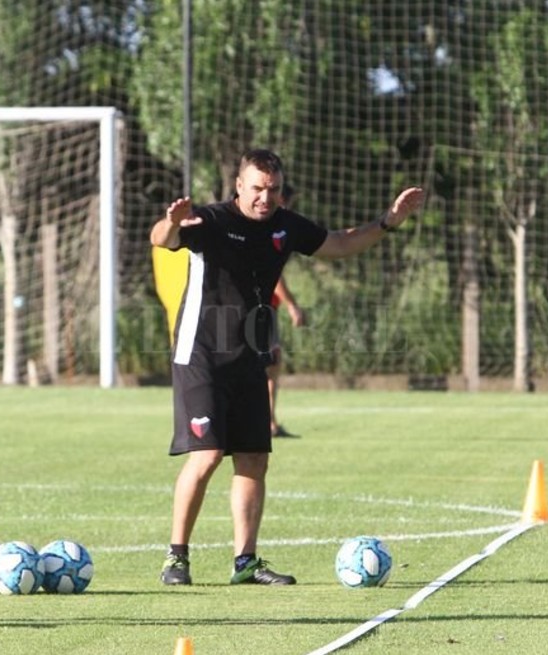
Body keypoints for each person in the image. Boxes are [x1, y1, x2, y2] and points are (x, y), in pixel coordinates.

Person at [151, 148, 424, 586]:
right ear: (239, 185)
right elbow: (161, 239)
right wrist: (173, 220)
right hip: (201, 353)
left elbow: (339, 243)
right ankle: (176, 557)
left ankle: (246, 562)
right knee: (206, 455)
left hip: (249, 355)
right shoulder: (212, 220)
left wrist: (389, 222)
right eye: (258, 188)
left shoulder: (285, 224)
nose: (266, 197)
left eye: (273, 189)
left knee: (254, 458)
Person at [267, 274, 304, 438]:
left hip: (256, 308)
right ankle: (269, 423)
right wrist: (292, 305)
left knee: (269, 367)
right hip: (263, 311)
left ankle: (269, 422)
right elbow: (276, 279)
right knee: (271, 368)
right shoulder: (268, 248)